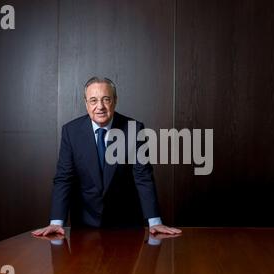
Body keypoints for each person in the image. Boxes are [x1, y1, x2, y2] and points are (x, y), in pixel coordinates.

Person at [32, 77, 181, 237]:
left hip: (126, 226)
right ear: (86, 103)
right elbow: (64, 178)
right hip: (84, 226)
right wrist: (56, 222)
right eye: (93, 100)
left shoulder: (134, 129)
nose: (100, 107)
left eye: (106, 99)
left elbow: (143, 176)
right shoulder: (71, 131)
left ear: (115, 101)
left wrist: (155, 222)